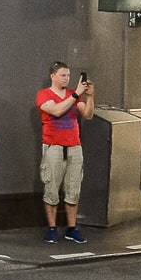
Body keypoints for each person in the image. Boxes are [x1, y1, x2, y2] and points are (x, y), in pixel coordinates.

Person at [35, 62, 95, 244]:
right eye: (62, 75)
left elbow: (88, 115)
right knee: (51, 188)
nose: (66, 79)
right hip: (54, 146)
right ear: (52, 76)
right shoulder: (43, 95)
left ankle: (72, 227)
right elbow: (57, 111)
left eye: (68, 75)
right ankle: (52, 228)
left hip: (74, 146)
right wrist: (77, 93)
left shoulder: (72, 95)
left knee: (73, 189)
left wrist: (90, 97)